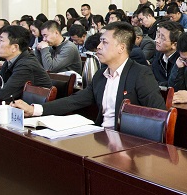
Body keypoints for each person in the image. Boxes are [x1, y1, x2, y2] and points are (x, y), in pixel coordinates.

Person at [12, 22, 165, 126]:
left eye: (104, 42)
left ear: (121, 47)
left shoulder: (140, 74)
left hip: (129, 145)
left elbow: (159, 115)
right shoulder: (101, 75)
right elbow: (75, 101)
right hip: (102, 137)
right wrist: (34, 110)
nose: (98, 46)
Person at [152, 21, 181, 86]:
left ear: (174, 45)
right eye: (158, 35)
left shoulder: (181, 60)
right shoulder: (158, 55)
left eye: (162, 38)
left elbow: (174, 85)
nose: (157, 41)